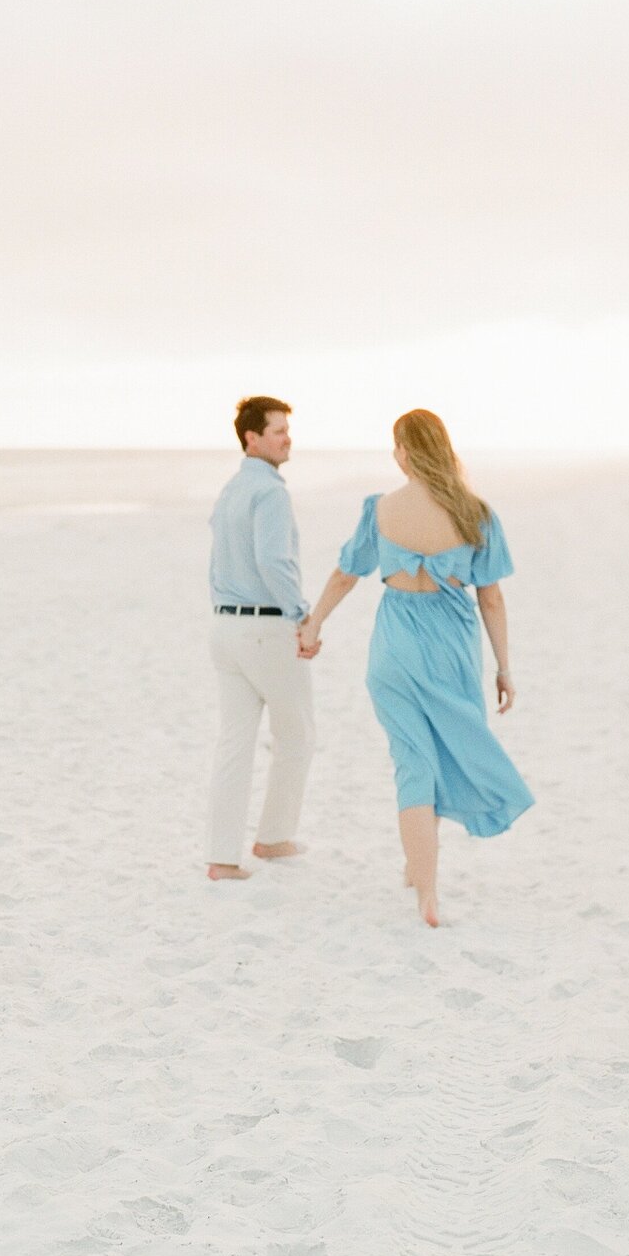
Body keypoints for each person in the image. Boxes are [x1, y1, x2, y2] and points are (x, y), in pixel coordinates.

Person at [300, 409, 533, 926]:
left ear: (406, 451)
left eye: (396, 447)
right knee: (448, 751)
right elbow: (491, 600)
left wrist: (314, 623)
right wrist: (504, 667)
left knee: (413, 762)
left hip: (395, 650)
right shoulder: (476, 513)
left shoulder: (380, 509)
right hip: (452, 650)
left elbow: (345, 575)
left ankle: (424, 889)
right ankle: (422, 873)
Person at [205, 396, 318, 881]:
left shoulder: (231, 489)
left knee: (234, 743)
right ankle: (273, 839)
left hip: (224, 627)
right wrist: (302, 615)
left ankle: (222, 858)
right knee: (297, 734)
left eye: (288, 429)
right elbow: (274, 562)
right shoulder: (269, 492)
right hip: (265, 628)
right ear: (251, 438)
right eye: (278, 430)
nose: (287, 437)